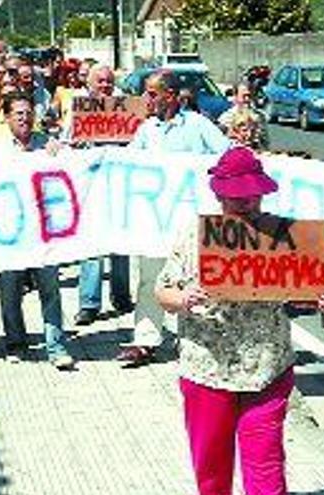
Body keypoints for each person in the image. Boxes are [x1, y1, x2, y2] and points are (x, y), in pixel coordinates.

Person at [154, 146, 324, 495]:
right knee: (212, 469)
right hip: (207, 371)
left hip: (266, 369)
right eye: (239, 198)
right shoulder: (195, 236)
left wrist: (317, 298)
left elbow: (298, 293)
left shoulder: (280, 236)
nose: (248, 204)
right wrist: (184, 300)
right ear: (220, 194)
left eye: (254, 197)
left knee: (266, 468)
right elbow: (163, 290)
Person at [119, 70, 232, 365]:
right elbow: (128, 163)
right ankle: (145, 341)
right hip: (155, 222)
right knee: (149, 280)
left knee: (195, 281)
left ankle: (196, 339)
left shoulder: (198, 126)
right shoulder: (147, 129)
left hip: (189, 223)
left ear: (170, 95)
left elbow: (227, 156)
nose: (147, 99)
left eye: (153, 94)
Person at [0, 91, 75, 371]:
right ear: (6, 117)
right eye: (18, 113)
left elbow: (73, 172)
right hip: (10, 233)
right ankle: (16, 343)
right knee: (10, 290)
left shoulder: (48, 144)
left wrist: (63, 155)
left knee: (50, 290)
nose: (24, 117)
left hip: (43, 233)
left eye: (28, 112)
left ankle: (56, 347)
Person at [72, 63, 133, 326]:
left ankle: (121, 296)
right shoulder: (80, 110)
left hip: (119, 185)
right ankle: (89, 304)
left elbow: (139, 142)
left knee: (121, 244)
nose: (105, 86)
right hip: (91, 187)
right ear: (90, 84)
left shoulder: (125, 107)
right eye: (100, 82)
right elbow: (65, 143)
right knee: (91, 245)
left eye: (108, 81)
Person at [218, 81, 270, 150]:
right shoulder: (227, 117)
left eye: (249, 96)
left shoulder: (260, 117)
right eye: (244, 96)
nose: (247, 99)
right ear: (236, 96)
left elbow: (265, 143)